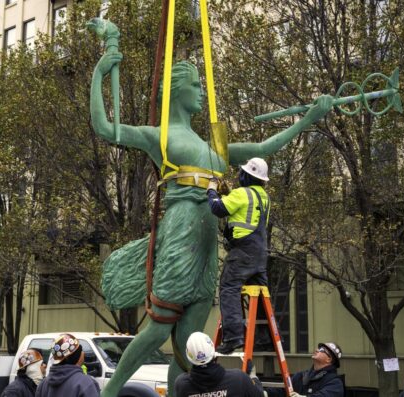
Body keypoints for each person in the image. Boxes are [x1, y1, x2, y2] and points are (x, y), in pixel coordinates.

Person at [90, 49, 333, 397]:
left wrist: (309, 118)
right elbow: (103, 127)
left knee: (189, 341)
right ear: (176, 91)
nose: (202, 92)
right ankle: (110, 391)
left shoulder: (214, 144)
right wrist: (101, 72)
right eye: (195, 84)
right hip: (181, 229)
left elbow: (265, 147)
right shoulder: (159, 136)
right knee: (160, 328)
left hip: (207, 239)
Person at [207, 157, 271, 354]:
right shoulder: (264, 196)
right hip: (260, 254)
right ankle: (264, 337)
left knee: (228, 288)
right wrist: (227, 194)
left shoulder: (242, 193)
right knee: (259, 294)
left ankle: (233, 337)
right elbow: (243, 211)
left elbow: (217, 209)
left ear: (246, 175)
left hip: (242, 252)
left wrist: (211, 190)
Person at [175, 332, 264, 397]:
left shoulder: (181, 385)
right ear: (213, 351)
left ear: (189, 357)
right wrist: (253, 377)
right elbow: (260, 395)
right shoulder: (238, 379)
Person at [35, 333, 100, 397]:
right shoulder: (86, 383)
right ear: (77, 356)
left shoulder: (43, 384)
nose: (83, 353)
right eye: (81, 351)